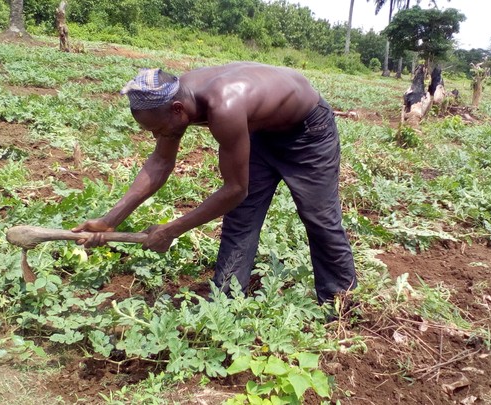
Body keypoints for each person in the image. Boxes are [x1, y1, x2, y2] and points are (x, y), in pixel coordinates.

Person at [73, 62, 356, 304]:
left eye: (158, 130)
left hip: (308, 131)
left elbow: (235, 189)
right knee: (241, 218)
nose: (157, 136)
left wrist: (171, 230)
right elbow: (160, 163)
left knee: (319, 219)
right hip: (260, 130)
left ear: (178, 109)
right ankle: (226, 300)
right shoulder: (172, 98)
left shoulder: (224, 105)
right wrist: (110, 220)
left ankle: (340, 303)